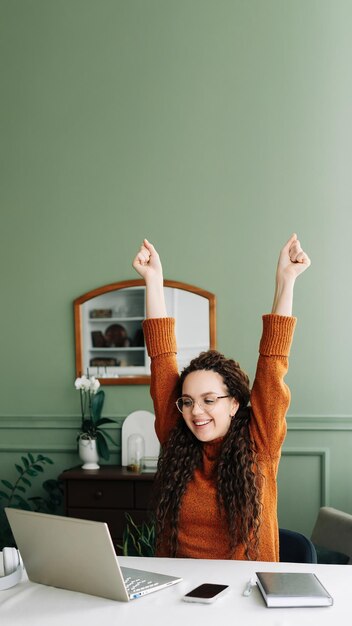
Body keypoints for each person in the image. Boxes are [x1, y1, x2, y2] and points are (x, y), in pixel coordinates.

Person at [132, 234, 311, 561]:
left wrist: (286, 282)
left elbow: (272, 364)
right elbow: (162, 359)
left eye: (208, 400)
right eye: (186, 401)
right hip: (178, 594)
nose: (195, 411)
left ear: (234, 403)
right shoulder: (177, 437)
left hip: (245, 598)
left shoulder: (260, 441)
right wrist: (153, 282)